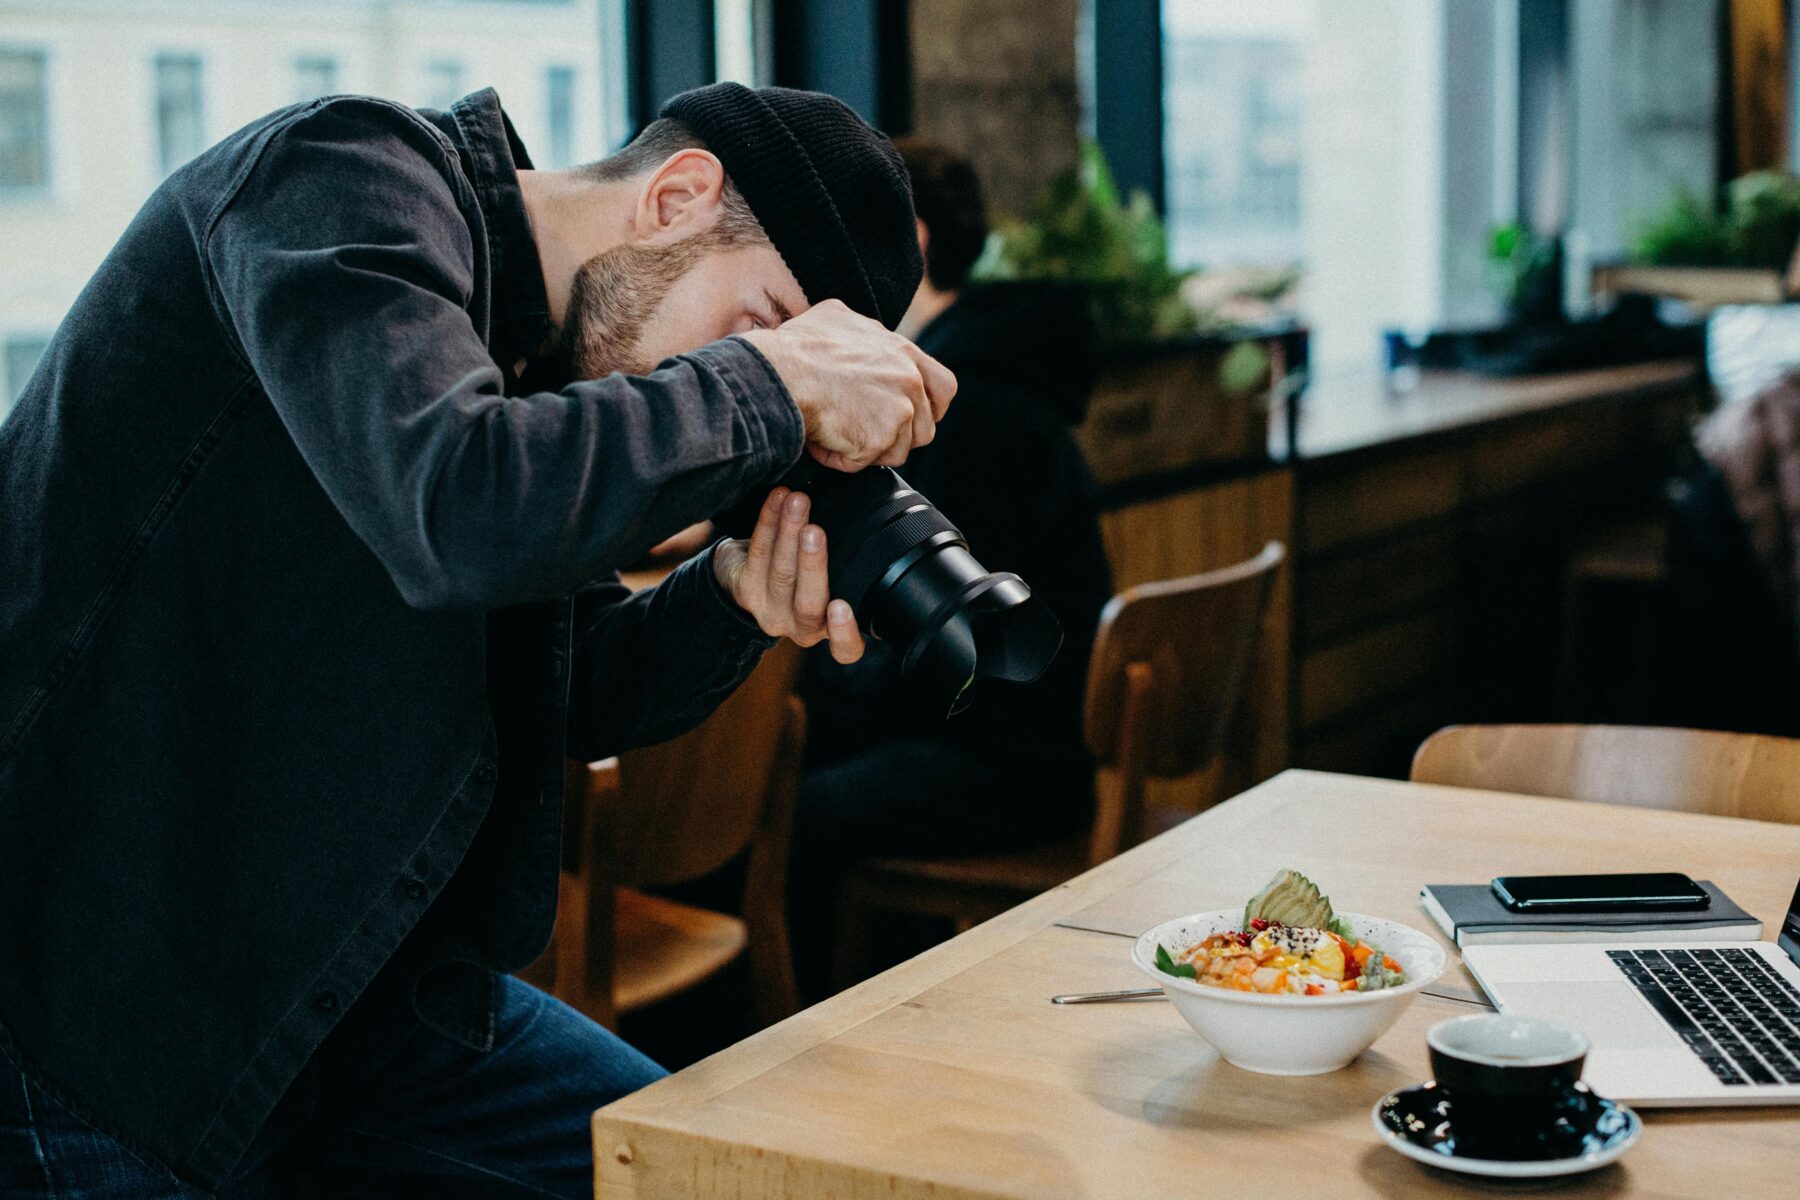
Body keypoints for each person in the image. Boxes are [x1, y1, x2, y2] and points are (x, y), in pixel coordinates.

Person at [0, 82, 954, 1197]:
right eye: (760, 321)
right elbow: (455, 508)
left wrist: (729, 598)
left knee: (708, 1179)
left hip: (346, 997)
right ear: (679, 197)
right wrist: (775, 383)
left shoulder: (537, 367)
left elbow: (569, 688)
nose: (750, 376)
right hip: (94, 1008)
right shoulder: (342, 177)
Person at [789, 137, 1114, 994]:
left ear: (915, 243)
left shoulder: (963, 406)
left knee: (769, 811)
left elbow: (956, 657)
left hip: (1006, 766)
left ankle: (784, 1052)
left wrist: (809, 694)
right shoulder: (996, 371)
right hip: (1028, 742)